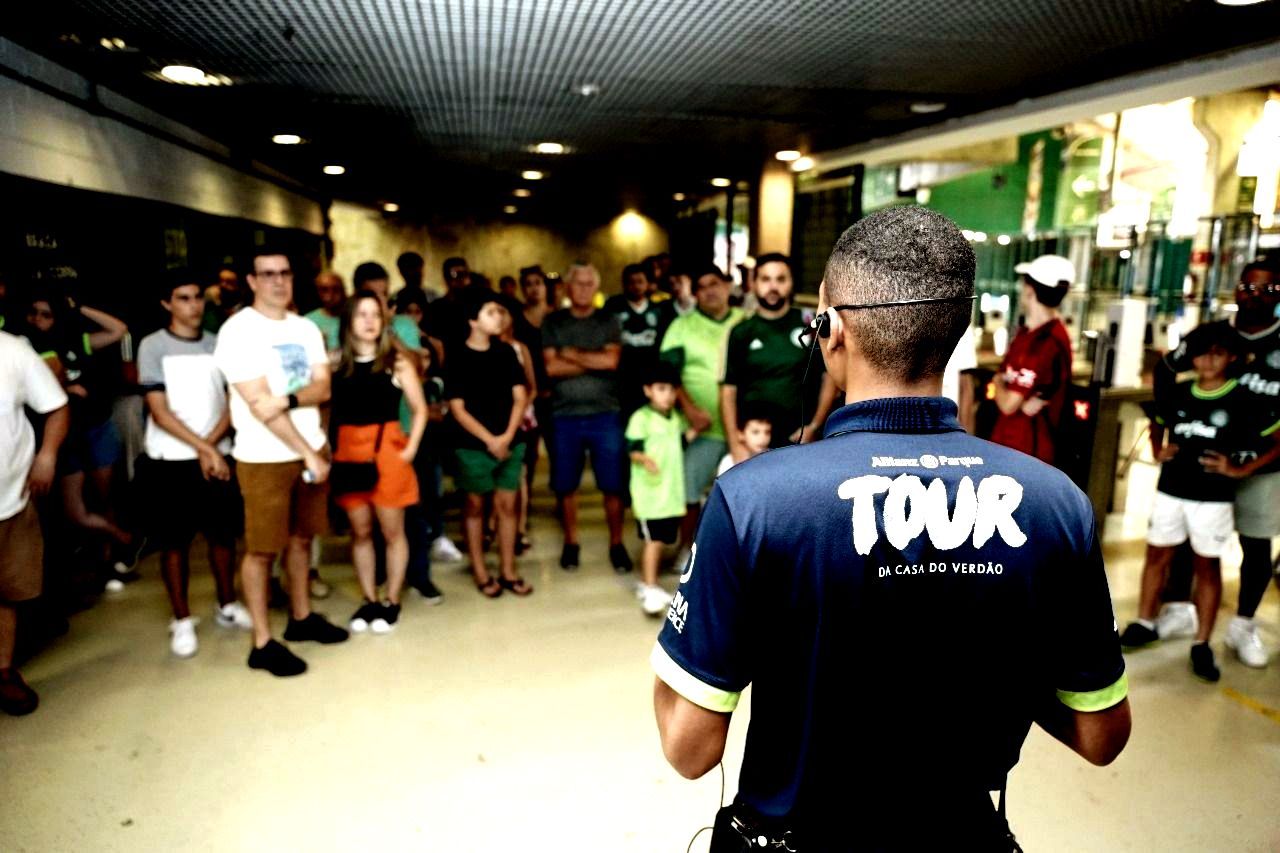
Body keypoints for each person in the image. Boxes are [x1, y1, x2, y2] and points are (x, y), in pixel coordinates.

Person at [652, 207, 1130, 848]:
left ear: (831, 330)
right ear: (955, 334)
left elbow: (689, 750)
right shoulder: (1055, 503)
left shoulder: (754, 499)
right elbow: (1102, 735)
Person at [213, 247, 348, 678]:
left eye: (285, 273)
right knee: (260, 550)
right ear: (252, 281)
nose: (278, 281)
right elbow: (258, 406)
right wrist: (307, 449)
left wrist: (291, 401)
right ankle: (263, 642)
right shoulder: (238, 331)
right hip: (264, 458)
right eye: (267, 274)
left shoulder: (305, 327)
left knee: (302, 541)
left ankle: (302, 618)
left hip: (310, 448)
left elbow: (322, 387)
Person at [1119, 323, 1280, 681]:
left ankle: (1202, 642)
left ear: (1232, 357)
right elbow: (1157, 420)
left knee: (1207, 566)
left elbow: (1276, 441)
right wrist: (1159, 450)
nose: (1207, 361)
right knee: (1156, 555)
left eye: (1217, 353)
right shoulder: (1179, 393)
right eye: (1201, 352)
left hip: (1212, 499)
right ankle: (1146, 621)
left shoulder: (1244, 399)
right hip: (1170, 490)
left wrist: (1240, 470)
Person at [1153, 258, 1280, 667]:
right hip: (1201, 462)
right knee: (1191, 541)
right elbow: (1165, 369)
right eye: (1248, 287)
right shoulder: (1211, 335)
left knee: (1256, 545)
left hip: (1259, 465)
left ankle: (1243, 625)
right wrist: (1169, 426)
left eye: (1267, 290)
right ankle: (1178, 609)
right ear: (1237, 289)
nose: (1254, 296)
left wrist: (1250, 463)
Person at [136, 273, 252, 657]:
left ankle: (226, 605)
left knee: (223, 537)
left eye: (198, 297)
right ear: (167, 304)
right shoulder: (152, 346)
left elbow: (233, 401)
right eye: (184, 298)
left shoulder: (217, 345)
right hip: (171, 459)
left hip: (217, 454)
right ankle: (182, 620)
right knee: (175, 544)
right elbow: (159, 411)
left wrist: (214, 448)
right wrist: (206, 448)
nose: (194, 305)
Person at [24, 293, 142, 584]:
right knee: (75, 510)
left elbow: (118, 330)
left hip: (96, 426)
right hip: (64, 437)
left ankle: (110, 560)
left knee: (104, 498)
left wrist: (79, 308)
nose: (39, 320)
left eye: (46, 314)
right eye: (34, 314)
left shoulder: (78, 341)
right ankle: (125, 540)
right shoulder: (26, 348)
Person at [330, 291, 427, 632]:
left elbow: (420, 409)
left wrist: (410, 448)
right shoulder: (334, 363)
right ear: (349, 322)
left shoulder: (395, 362)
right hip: (347, 451)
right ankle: (369, 599)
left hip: (386, 449)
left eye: (375, 314)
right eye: (361, 315)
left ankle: (392, 599)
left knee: (392, 530)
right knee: (360, 531)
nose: (370, 321)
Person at [541, 263, 631, 572]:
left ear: (596, 287)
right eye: (577, 283)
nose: (583, 288)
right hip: (564, 417)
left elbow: (611, 362)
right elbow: (551, 368)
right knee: (567, 486)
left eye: (588, 283)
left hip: (606, 414)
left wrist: (569, 353)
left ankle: (617, 543)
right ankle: (571, 542)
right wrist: (593, 358)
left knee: (613, 485)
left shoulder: (609, 320)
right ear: (567, 286)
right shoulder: (553, 321)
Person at [0, 330, 68, 715]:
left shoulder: (13, 350)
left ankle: (4, 671)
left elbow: (56, 407)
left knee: (8, 589)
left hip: (10, 498)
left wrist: (47, 455)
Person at [447, 290, 532, 597]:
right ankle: (481, 573)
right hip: (472, 445)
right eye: (490, 311)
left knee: (507, 506)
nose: (498, 316)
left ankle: (508, 570)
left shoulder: (507, 353)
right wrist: (490, 440)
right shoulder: (457, 356)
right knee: (474, 508)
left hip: (509, 441)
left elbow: (520, 397)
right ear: (473, 319)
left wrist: (506, 437)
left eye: (499, 311)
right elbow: (457, 408)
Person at [658, 267, 743, 554]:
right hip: (700, 429)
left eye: (715, 284)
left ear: (727, 287)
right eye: (702, 286)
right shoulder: (682, 326)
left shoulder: (744, 322)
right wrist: (690, 409)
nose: (710, 290)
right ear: (694, 294)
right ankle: (687, 551)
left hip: (743, 430)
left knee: (743, 496)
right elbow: (667, 373)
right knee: (688, 492)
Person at [721, 253, 837, 458]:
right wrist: (734, 443)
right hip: (753, 443)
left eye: (781, 279)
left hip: (800, 441)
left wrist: (814, 426)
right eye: (765, 279)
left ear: (791, 283)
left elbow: (828, 377)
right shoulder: (741, 332)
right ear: (754, 283)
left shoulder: (809, 326)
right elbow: (728, 390)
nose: (773, 286)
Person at [989, 254, 1075, 465]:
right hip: (1008, 447)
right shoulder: (1026, 335)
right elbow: (1005, 383)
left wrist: (999, 383)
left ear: (1029, 290)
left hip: (1029, 457)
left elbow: (1008, 404)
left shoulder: (1048, 342)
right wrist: (1006, 387)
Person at [626, 362, 693, 616]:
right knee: (653, 541)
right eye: (661, 389)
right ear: (647, 391)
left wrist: (697, 430)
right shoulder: (640, 418)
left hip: (670, 493)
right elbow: (633, 450)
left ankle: (650, 583)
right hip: (650, 495)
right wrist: (645, 460)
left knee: (663, 539)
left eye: (671, 390)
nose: (668, 395)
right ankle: (648, 586)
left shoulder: (675, 418)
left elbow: (680, 442)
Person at [604, 263, 673, 416]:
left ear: (647, 284)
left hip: (650, 375)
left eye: (640, 281)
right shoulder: (613, 308)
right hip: (623, 376)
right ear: (624, 284)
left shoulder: (659, 310)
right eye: (631, 282)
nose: (635, 286)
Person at [716, 409, 771, 477]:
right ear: (740, 434)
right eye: (755, 432)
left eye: (767, 432)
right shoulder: (730, 461)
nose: (763, 438)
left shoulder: (773, 457)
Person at [304, 270, 347, 352]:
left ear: (343, 291)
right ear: (317, 292)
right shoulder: (308, 321)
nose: (330, 295)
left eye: (335, 289)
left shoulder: (354, 317)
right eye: (324, 290)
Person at [202, 263, 243, 333]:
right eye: (220, 281)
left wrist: (218, 303)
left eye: (229, 282)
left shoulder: (246, 307)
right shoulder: (210, 305)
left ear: (238, 286)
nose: (222, 285)